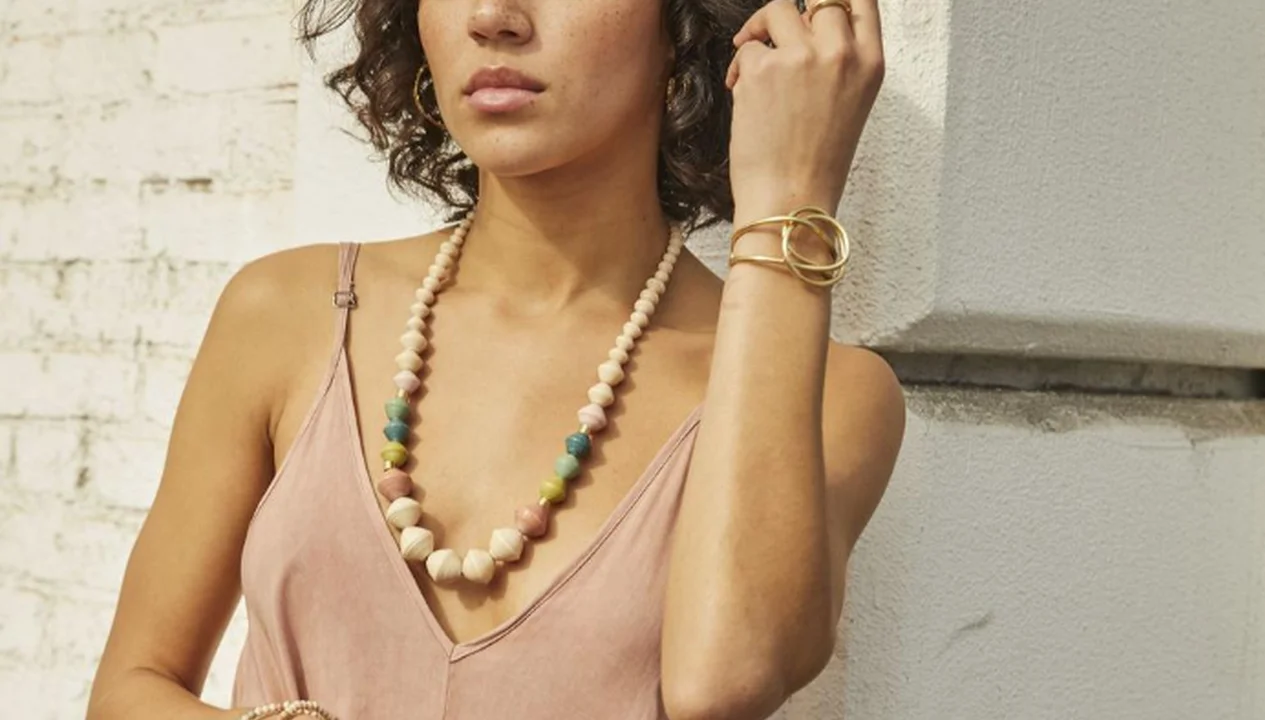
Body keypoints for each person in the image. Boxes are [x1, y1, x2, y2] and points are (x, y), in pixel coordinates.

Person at [86, 0, 903, 716]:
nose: (492, 16)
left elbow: (725, 681)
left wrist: (790, 198)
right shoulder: (287, 314)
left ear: (684, 24)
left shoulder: (832, 395)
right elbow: (130, 689)